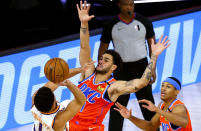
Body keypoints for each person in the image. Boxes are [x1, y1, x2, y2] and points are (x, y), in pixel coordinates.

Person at [68, 1, 170, 130]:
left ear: (113, 68)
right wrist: (84, 23)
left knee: (145, 105)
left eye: (106, 60)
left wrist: (154, 57)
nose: (101, 61)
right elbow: (84, 46)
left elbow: (141, 83)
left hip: (89, 128)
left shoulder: (113, 87)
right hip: (69, 124)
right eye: (101, 59)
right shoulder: (88, 72)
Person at [98, 0, 157, 130]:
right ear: (119, 5)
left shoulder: (144, 21)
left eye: (131, 4)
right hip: (121, 69)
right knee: (117, 106)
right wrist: (103, 70)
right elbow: (103, 48)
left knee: (148, 104)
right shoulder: (111, 24)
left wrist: (152, 68)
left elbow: (153, 47)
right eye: (126, 4)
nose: (129, 7)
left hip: (142, 67)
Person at [114, 77, 192, 131]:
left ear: (176, 92)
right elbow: (151, 126)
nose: (163, 89)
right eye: (162, 86)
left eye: (168, 87)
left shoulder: (178, 106)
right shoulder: (162, 105)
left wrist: (158, 110)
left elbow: (184, 122)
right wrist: (130, 117)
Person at [31, 65, 92, 131]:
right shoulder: (57, 121)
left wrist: (79, 69)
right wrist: (69, 85)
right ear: (54, 101)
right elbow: (81, 100)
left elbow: (55, 81)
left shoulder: (36, 100)